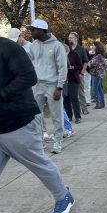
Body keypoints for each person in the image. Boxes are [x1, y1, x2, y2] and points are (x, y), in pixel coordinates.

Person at [0, 10, 75, 213]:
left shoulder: (7, 47)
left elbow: (28, 76)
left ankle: (63, 197)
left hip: (18, 121)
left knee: (38, 163)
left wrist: (0, 97)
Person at [28, 19, 67, 154]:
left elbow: (62, 68)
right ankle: (40, 141)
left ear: (41, 30)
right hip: (37, 85)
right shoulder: (33, 46)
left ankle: (57, 141)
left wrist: (59, 87)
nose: (31, 32)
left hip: (52, 85)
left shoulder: (57, 46)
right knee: (36, 115)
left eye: (33, 29)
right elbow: (30, 64)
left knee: (56, 115)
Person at [68, 32, 90, 114]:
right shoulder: (67, 49)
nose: (70, 39)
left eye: (72, 37)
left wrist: (82, 73)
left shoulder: (81, 49)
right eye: (69, 37)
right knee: (70, 94)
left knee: (80, 92)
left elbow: (85, 62)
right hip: (69, 75)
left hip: (78, 73)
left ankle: (84, 108)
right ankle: (73, 110)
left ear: (76, 38)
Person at [63, 40, 83, 124]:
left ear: (69, 46)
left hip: (73, 79)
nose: (64, 48)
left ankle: (78, 117)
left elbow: (80, 66)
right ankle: (69, 116)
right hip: (64, 80)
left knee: (74, 98)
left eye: (65, 46)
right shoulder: (61, 55)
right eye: (63, 46)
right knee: (66, 98)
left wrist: (73, 67)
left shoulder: (74, 54)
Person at [88, 41, 106, 108]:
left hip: (96, 74)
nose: (92, 47)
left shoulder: (98, 56)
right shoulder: (98, 55)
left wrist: (88, 63)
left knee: (94, 89)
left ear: (97, 47)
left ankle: (99, 104)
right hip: (98, 74)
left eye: (93, 45)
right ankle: (102, 103)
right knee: (99, 89)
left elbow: (91, 64)